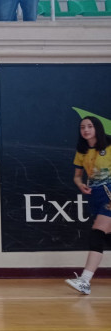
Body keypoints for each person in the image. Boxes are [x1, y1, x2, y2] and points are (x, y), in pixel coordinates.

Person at [65, 117, 111, 295]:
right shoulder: (81, 151)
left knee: (97, 232)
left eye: (90, 126)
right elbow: (77, 175)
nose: (86, 130)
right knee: (106, 236)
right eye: (82, 127)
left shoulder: (108, 146)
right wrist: (80, 183)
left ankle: (84, 280)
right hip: (95, 196)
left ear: (97, 128)